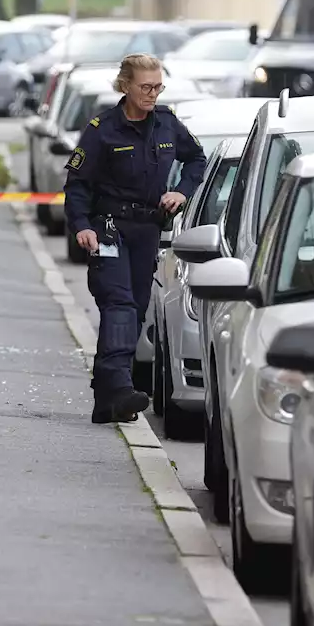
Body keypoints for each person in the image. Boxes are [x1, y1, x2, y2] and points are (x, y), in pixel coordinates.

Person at [63, 54, 207, 424]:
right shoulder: (101, 130)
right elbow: (77, 186)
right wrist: (82, 225)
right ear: (124, 85)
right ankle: (122, 389)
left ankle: (107, 399)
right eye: (146, 87)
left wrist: (182, 191)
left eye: (158, 86)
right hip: (108, 228)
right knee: (120, 303)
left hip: (147, 230)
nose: (153, 94)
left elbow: (197, 161)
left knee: (136, 308)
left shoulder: (168, 124)